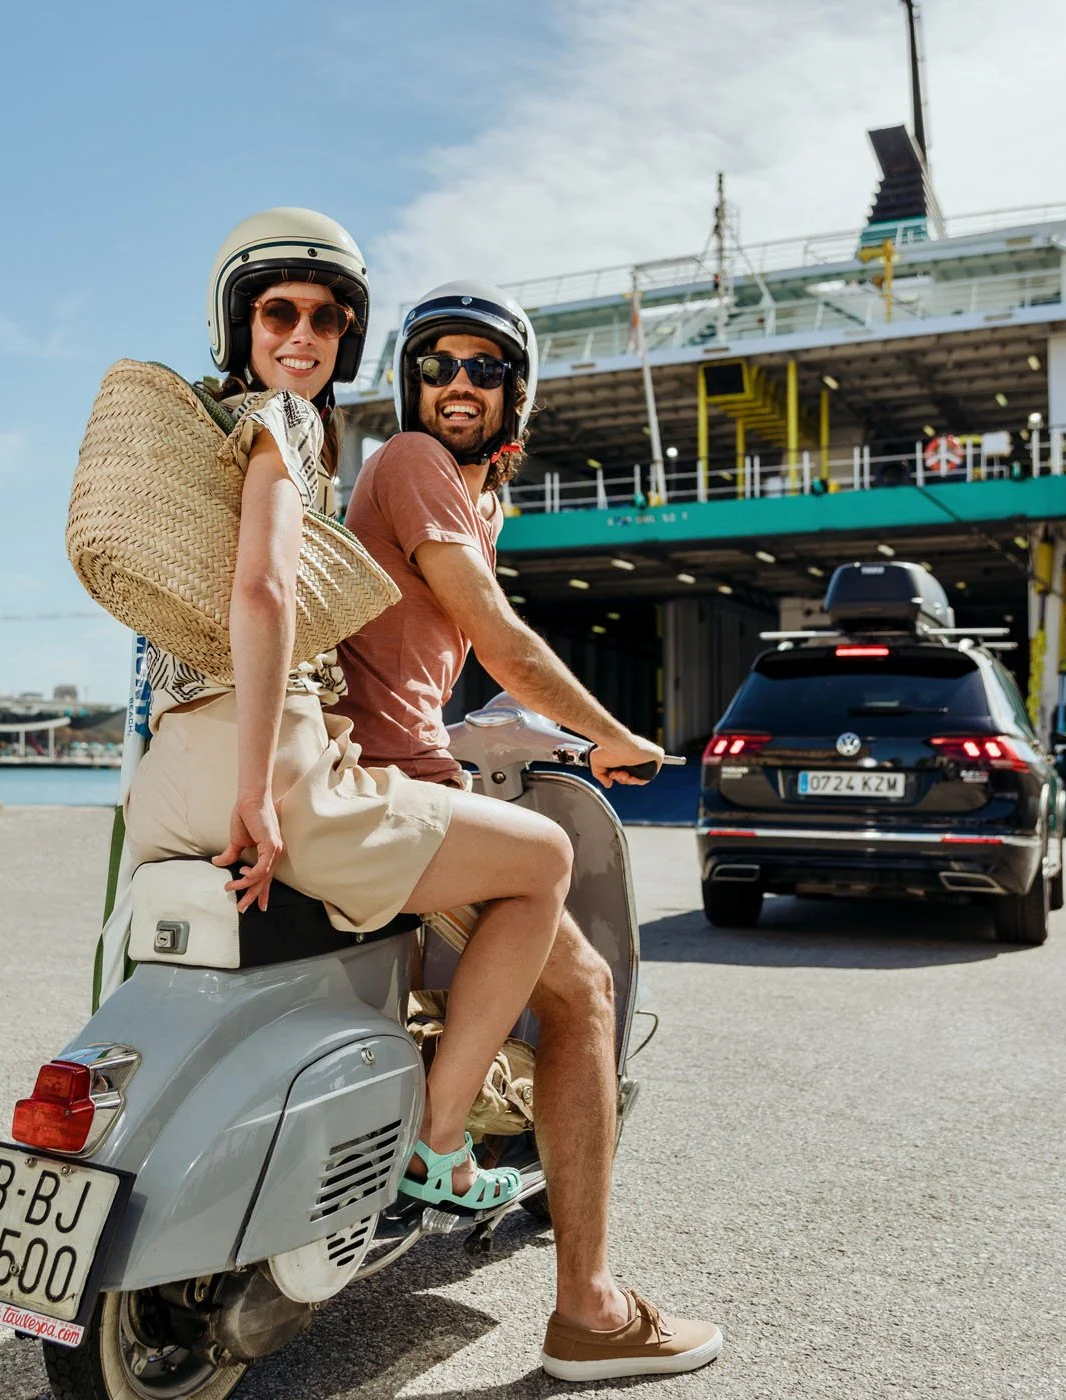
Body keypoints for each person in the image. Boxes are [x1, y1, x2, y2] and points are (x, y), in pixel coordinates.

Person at [122, 211, 566, 1215]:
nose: (304, 335)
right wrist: (257, 792)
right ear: (240, 325)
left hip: (164, 780)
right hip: (269, 769)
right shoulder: (290, 423)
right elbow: (266, 592)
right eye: (279, 313)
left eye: (325, 319)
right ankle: (439, 1145)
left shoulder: (203, 434)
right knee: (544, 861)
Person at [335, 281, 724, 1381]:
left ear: (517, 390)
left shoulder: (472, 501)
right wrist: (609, 735)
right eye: (438, 366)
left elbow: (409, 665)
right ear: (411, 384)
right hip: (390, 787)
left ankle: (439, 1131)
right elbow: (498, 636)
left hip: (406, 762)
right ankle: (581, 1300)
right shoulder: (412, 461)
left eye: (485, 367)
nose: (459, 384)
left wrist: (483, 730)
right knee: (585, 989)